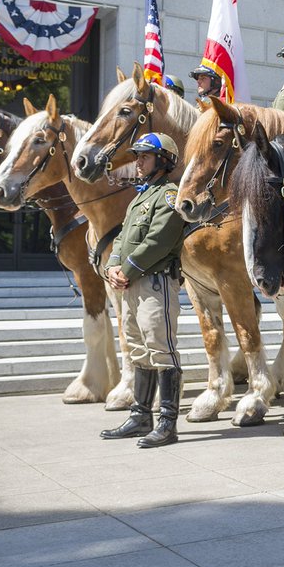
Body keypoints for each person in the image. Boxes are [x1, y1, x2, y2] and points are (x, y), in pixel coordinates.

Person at [101, 132, 187, 448]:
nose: (138, 162)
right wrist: (112, 266)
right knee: (138, 349)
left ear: (163, 161)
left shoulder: (169, 195)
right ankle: (140, 417)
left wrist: (125, 270)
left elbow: (159, 240)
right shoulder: (140, 197)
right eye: (137, 156)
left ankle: (167, 424)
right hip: (132, 284)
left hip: (155, 282)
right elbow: (122, 238)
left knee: (161, 350)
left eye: (145, 156)